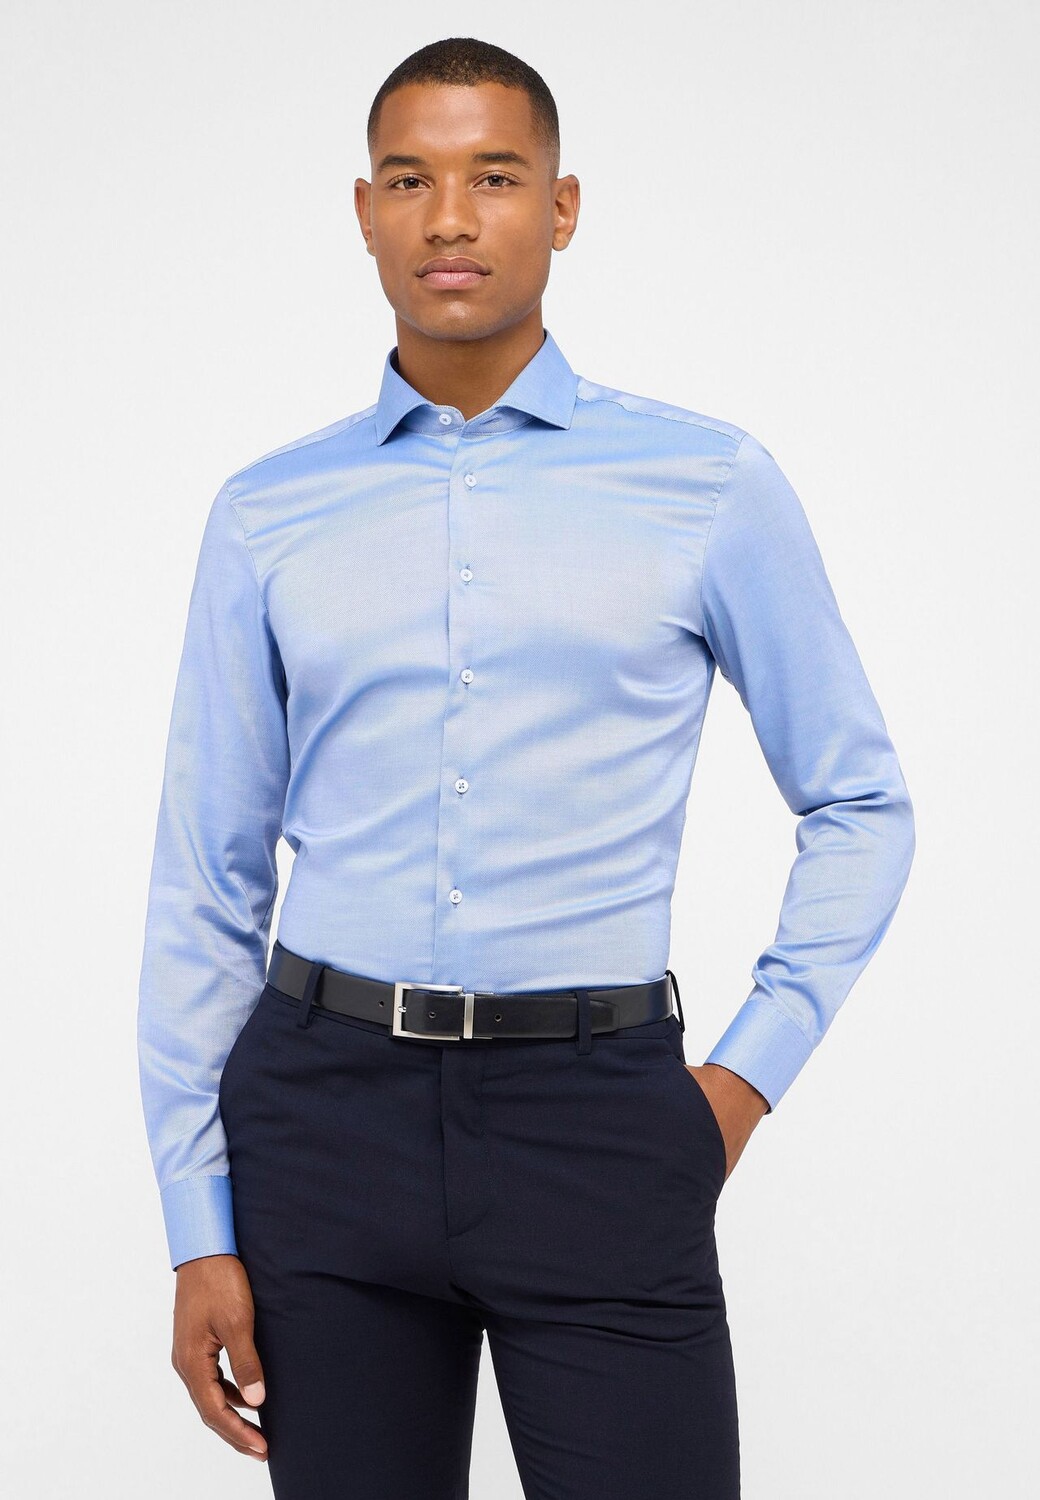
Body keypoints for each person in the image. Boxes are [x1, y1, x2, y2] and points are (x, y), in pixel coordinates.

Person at [137, 36, 916, 1500]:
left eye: (494, 178)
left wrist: (738, 1084)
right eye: (410, 181)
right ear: (363, 211)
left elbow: (861, 804)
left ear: (560, 208)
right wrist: (198, 1221)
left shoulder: (707, 486)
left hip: (599, 1122)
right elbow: (208, 877)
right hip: (322, 1123)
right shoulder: (266, 514)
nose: (450, 219)